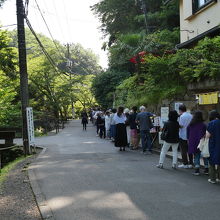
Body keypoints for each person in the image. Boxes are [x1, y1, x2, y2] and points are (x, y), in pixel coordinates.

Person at [187, 111, 208, 175]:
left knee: (196, 155)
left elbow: (188, 135)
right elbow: (206, 134)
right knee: (205, 155)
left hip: (194, 142)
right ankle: (206, 169)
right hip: (202, 142)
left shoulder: (190, 125)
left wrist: (188, 141)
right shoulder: (203, 125)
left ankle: (197, 170)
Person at [206, 110, 220, 184]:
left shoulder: (211, 123)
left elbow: (208, 135)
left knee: (212, 162)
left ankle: (212, 178)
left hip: (213, 145)